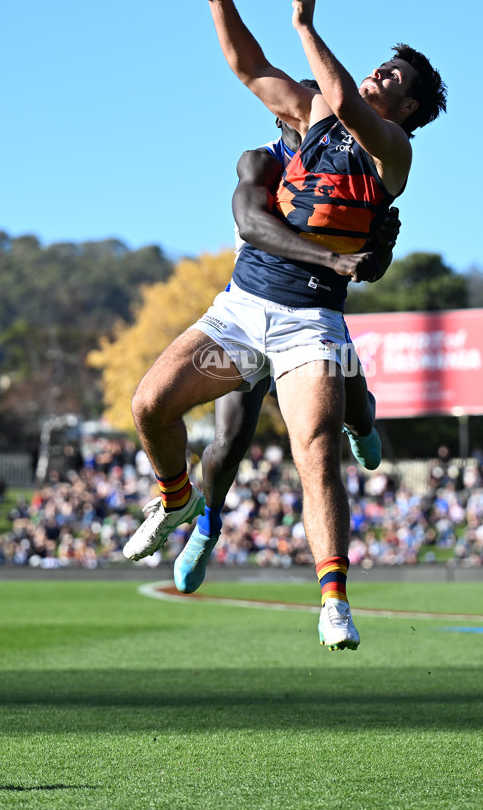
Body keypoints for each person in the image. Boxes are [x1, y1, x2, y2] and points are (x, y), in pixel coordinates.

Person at [124, 0, 446, 651]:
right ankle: (180, 501)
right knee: (150, 404)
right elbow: (248, 68)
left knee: (313, 451)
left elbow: (355, 111)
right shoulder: (306, 120)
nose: (379, 72)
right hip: (243, 309)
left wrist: (306, 25)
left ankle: (333, 601)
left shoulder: (392, 148)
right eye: (382, 64)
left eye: (394, 75)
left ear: (410, 107)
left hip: (310, 326)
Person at [173, 103, 401, 596]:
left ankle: (362, 423)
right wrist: (331, 257)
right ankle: (207, 527)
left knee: (351, 400)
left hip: (313, 313)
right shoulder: (262, 162)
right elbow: (254, 226)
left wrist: (381, 246)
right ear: (282, 118)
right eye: (301, 112)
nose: (312, 122)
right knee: (229, 441)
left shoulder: (354, 166)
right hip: (255, 312)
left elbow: (372, 268)